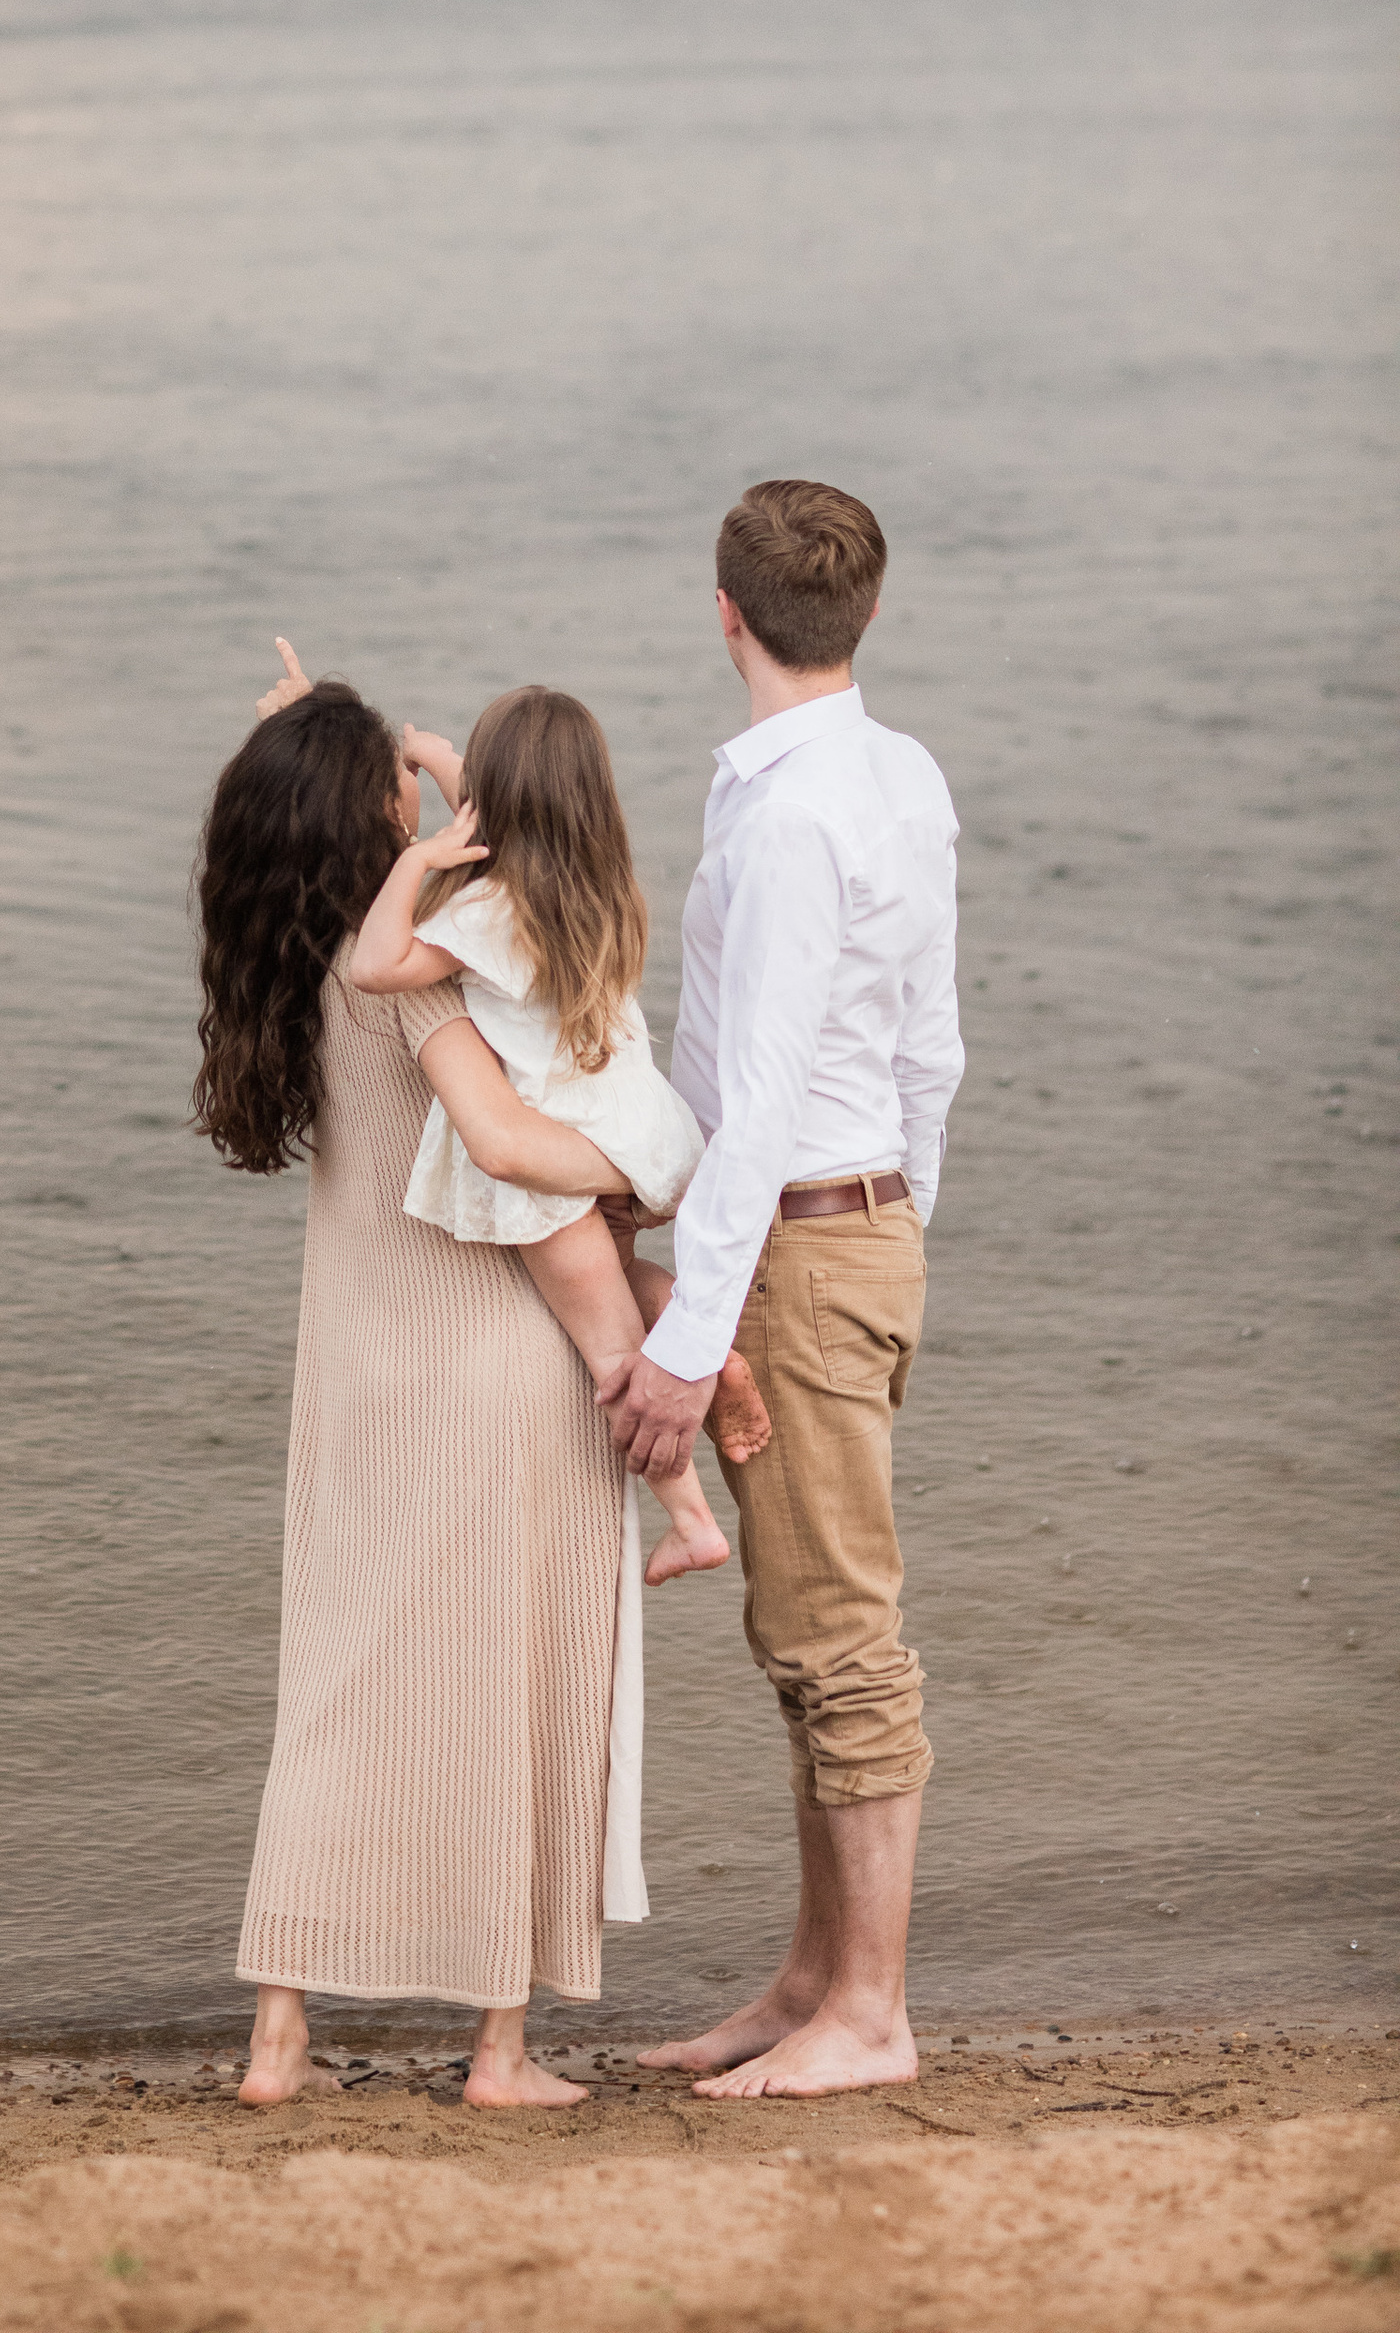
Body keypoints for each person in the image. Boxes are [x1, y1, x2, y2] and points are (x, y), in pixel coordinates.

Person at [195, 656, 660, 2116]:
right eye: (399, 787)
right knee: (511, 1686)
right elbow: (512, 1136)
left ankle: (280, 2039)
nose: (428, 800)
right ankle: (500, 2053)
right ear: (374, 818)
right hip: (491, 1365)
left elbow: (363, 811)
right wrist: (655, 1169)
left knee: (332, 1695)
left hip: (352, 1372)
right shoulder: (438, 961)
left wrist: (311, 728)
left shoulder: (300, 965)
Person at [599, 480, 965, 2102]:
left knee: (839, 1638)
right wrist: (897, 1230)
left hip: (809, 1240)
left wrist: (691, 1340)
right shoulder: (896, 774)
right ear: (866, 613)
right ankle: (814, 1980)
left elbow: (752, 1101)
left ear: (725, 612)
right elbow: (929, 1053)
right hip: (853, 1227)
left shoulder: (798, 812)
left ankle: (869, 2018)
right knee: (799, 1625)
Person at [348, 685, 771, 1586]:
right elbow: (509, 797)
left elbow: (375, 964)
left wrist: (414, 861)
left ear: (490, 808)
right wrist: (427, 749)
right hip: (627, 1133)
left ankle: (691, 1519)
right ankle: (712, 1352)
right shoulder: (600, 886)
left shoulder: (489, 913)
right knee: (621, 1283)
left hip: (550, 1163)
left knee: (610, 1350)